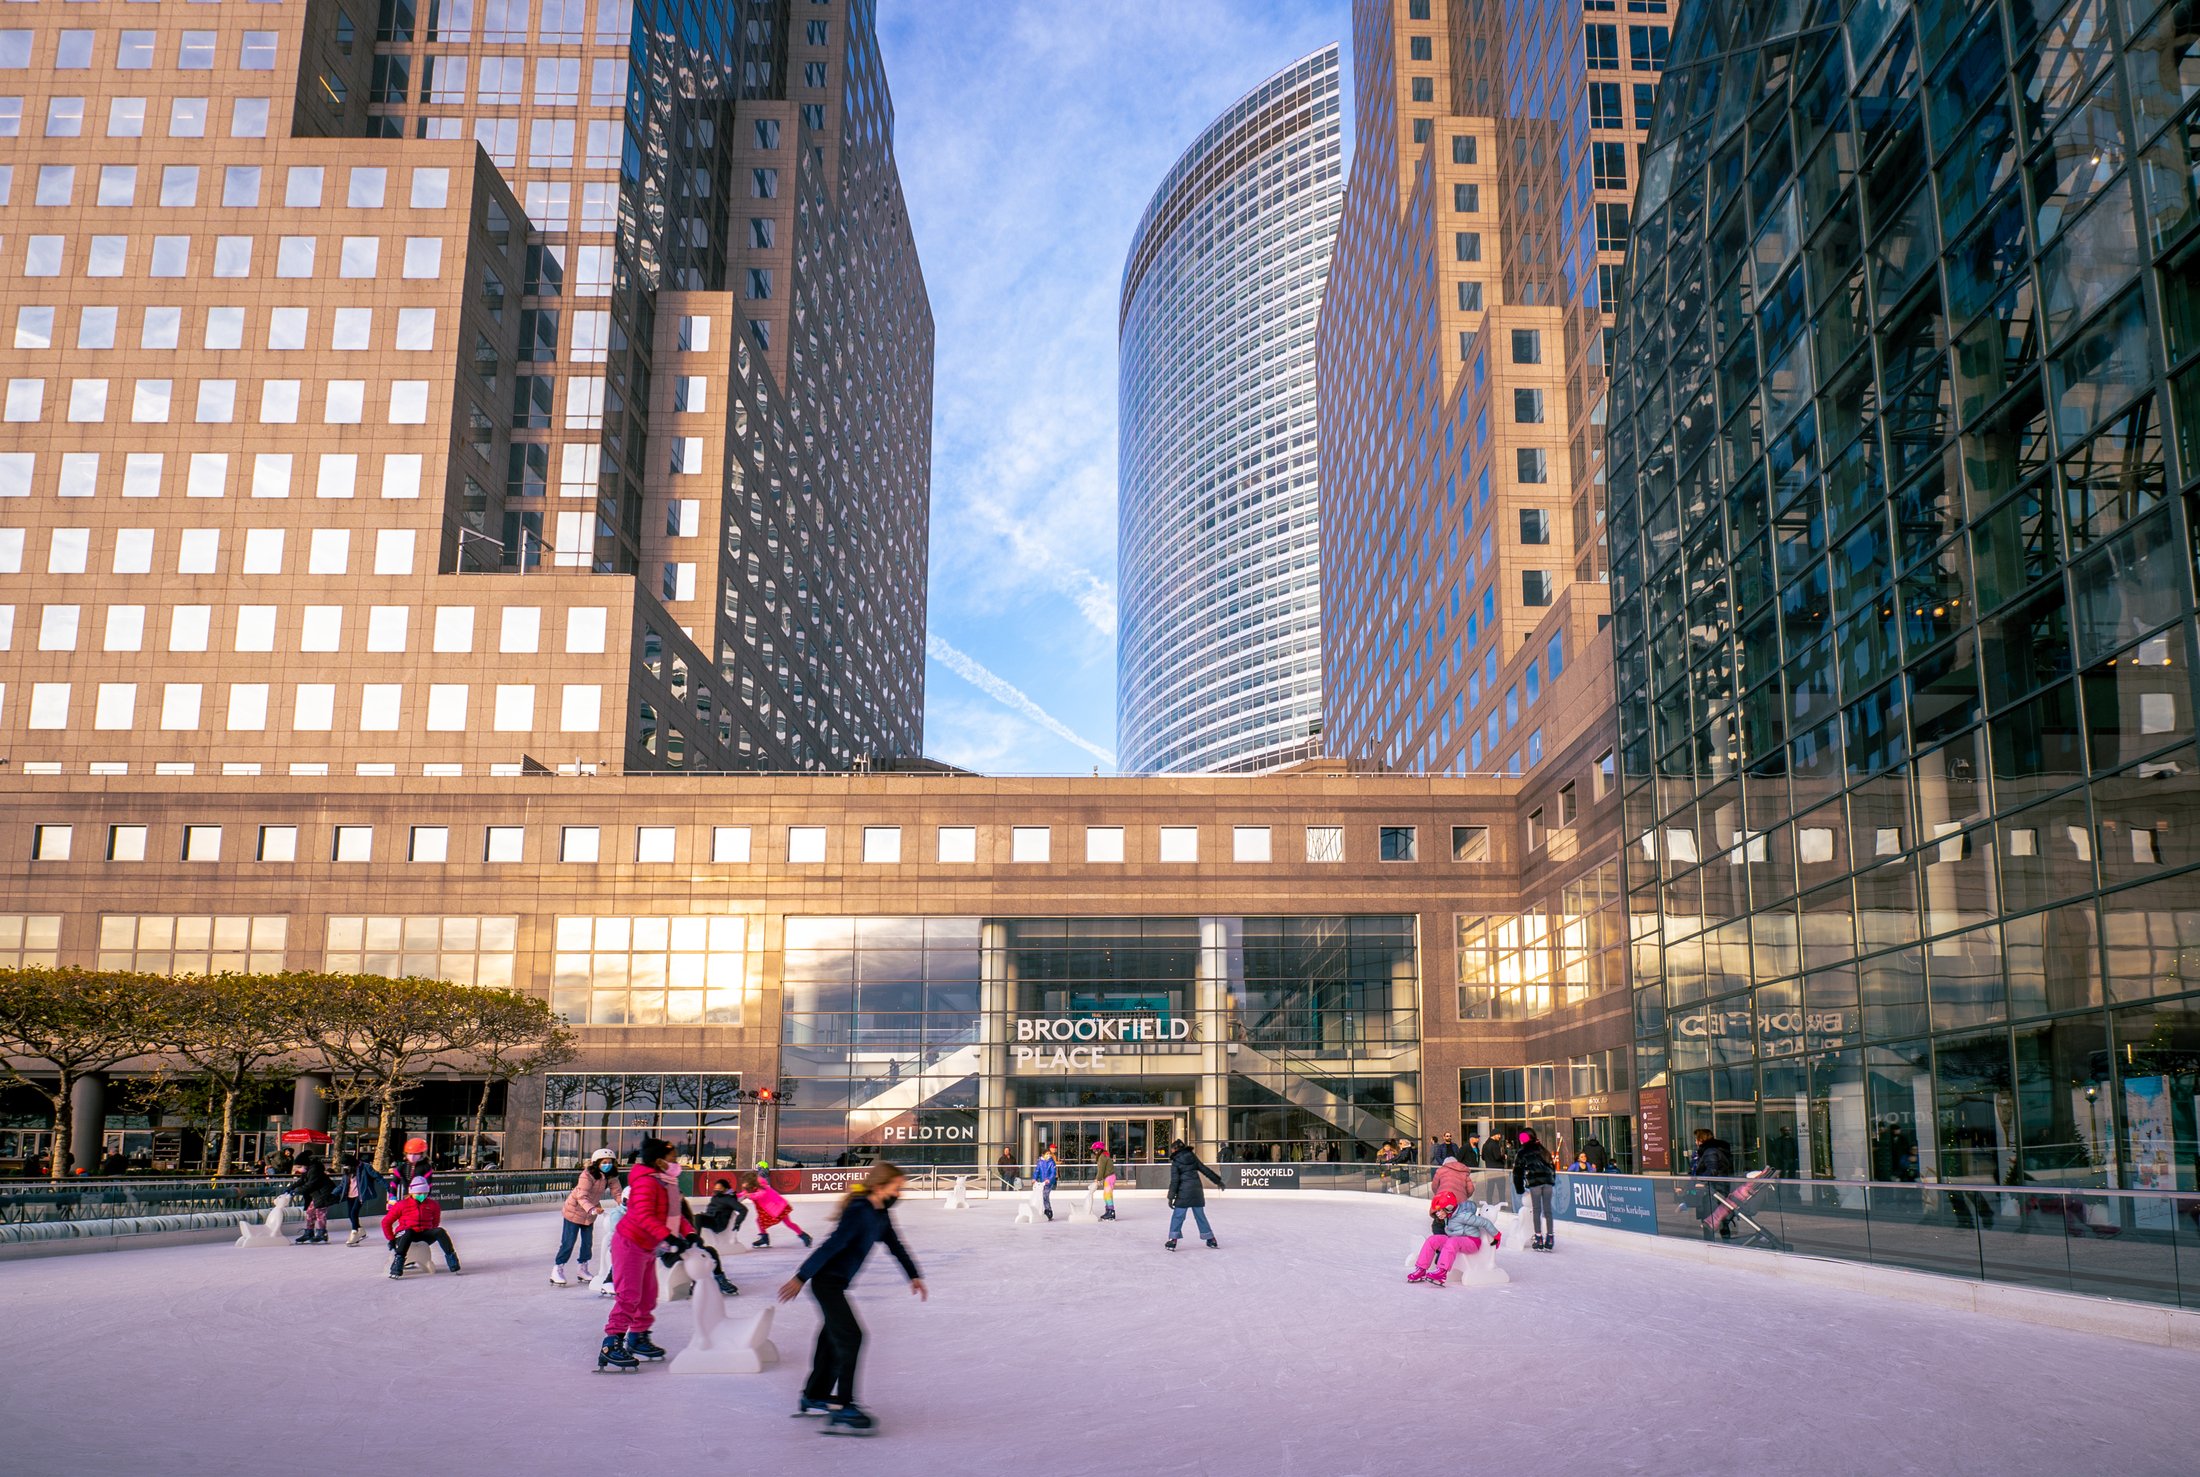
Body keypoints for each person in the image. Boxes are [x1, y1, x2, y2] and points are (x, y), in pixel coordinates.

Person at [777, 1161, 927, 1437]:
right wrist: (802, 1276)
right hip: (826, 1283)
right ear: (881, 1187)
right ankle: (845, 1407)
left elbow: (895, 1245)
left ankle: (814, 1395)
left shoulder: (880, 1214)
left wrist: (913, 1275)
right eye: (897, 1188)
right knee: (851, 1337)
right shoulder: (859, 1210)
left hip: (836, 1284)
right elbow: (834, 1244)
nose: (900, 1194)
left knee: (833, 1340)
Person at [597, 1136, 692, 1370]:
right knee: (629, 1295)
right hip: (630, 1244)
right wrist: (668, 1237)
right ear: (659, 1161)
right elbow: (643, 1216)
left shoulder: (666, 1181)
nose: (676, 1161)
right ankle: (611, 1342)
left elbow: (674, 1214)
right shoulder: (646, 1183)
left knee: (649, 1295)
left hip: (647, 1247)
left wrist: (690, 1234)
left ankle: (637, 1336)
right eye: (672, 1158)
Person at [553, 1147, 618, 1286]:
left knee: (587, 1243)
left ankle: (582, 1269)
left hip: (589, 1214)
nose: (608, 1165)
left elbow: (617, 1192)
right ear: (596, 1163)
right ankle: (558, 1269)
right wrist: (592, 1209)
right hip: (574, 1211)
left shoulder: (611, 1176)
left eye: (610, 1162)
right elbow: (581, 1196)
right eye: (604, 1162)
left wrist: (625, 1203)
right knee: (568, 1242)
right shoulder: (587, 1175)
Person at [1408, 1190, 1503, 1284]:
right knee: (1432, 1240)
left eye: (1439, 1210)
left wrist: (1497, 1235)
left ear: (1449, 1208)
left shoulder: (1464, 1216)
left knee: (1452, 1241)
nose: (1437, 1214)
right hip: (1455, 1240)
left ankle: (1441, 1272)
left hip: (1472, 1242)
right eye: (1437, 1211)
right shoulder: (1448, 1216)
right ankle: (1421, 1269)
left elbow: (1484, 1222)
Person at [383, 1178, 461, 1277]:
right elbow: (386, 1222)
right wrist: (391, 1239)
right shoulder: (402, 1205)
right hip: (404, 1234)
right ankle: (398, 1263)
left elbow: (435, 1223)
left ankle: (452, 1260)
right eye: (419, 1193)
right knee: (408, 1232)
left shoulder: (433, 1205)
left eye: (425, 1193)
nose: (422, 1196)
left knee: (440, 1231)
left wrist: (428, 1231)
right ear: (412, 1193)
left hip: (423, 1234)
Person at [1163, 1138, 1223, 1250]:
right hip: (1197, 1192)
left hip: (1183, 1193)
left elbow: (1175, 1181)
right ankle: (1211, 1239)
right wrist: (1218, 1181)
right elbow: (1205, 1170)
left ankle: (1173, 1240)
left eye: (1172, 1149)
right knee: (1200, 1216)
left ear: (1176, 1149)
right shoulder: (1192, 1157)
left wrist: (1170, 1197)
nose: (1171, 1151)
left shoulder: (1176, 1162)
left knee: (1178, 1216)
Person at [1512, 1128, 1558, 1251]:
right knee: (1548, 1210)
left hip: (1535, 1183)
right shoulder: (1543, 1149)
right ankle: (1550, 1237)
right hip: (1548, 1182)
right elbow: (1552, 1166)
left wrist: (1520, 1189)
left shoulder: (1522, 1152)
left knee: (1537, 1210)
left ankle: (1538, 1238)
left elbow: (1517, 1172)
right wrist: (1551, 1179)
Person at [743, 1169, 813, 1249]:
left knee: (788, 1223)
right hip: (774, 1207)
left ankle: (804, 1236)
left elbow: (761, 1194)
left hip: (778, 1207)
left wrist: (750, 1195)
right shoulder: (752, 1187)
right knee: (760, 1221)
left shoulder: (762, 1186)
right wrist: (733, 1195)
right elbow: (743, 1193)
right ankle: (764, 1238)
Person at [1689, 1128, 1735, 1239]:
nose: (1695, 1142)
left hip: (1713, 1188)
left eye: (1697, 1139)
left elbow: (1712, 1170)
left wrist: (1701, 1180)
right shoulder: (1712, 1150)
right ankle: (1724, 1235)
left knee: (1709, 1215)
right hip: (1719, 1187)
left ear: (1701, 1139)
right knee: (1720, 1213)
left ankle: (1709, 1240)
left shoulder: (1710, 1151)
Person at [336, 1151, 385, 1246]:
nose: (345, 1167)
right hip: (350, 1195)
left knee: (354, 1212)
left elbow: (377, 1177)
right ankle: (360, 1230)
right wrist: (333, 1193)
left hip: (360, 1194)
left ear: (351, 1163)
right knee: (350, 1214)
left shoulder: (365, 1167)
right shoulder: (347, 1172)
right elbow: (342, 1185)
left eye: (346, 1165)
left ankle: (354, 1232)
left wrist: (389, 1188)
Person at [288, 1153, 337, 1244]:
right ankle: (309, 1232)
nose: (298, 1169)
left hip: (324, 1194)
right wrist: (290, 1188)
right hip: (317, 1195)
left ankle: (322, 1233)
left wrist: (296, 1191)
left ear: (305, 1164)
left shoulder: (315, 1170)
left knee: (320, 1213)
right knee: (310, 1212)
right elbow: (301, 1181)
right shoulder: (308, 1170)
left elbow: (311, 1184)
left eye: (299, 1166)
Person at [1092, 1140, 1118, 1221]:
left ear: (1099, 1149)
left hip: (1109, 1177)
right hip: (1110, 1177)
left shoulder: (1102, 1157)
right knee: (1107, 1195)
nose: (1094, 1152)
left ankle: (1111, 1212)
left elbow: (1101, 1170)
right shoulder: (1104, 1155)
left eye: (1094, 1150)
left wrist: (1097, 1179)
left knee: (1107, 1195)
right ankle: (1108, 1211)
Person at [1033, 1144, 1058, 1222]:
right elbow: (1037, 1171)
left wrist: (1049, 1179)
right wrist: (1034, 1178)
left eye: (1049, 1154)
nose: (1048, 1155)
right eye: (1047, 1154)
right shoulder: (1040, 1162)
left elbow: (1053, 1173)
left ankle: (1048, 1211)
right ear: (1043, 1155)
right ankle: (1043, 1210)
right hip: (1042, 1182)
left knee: (1045, 1196)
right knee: (1042, 1197)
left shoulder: (1051, 1162)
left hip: (1049, 1183)